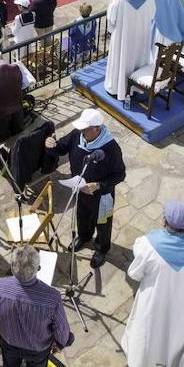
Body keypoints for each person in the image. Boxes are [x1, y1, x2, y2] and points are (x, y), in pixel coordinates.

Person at [122, 200, 184, 367]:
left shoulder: (148, 244)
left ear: (165, 221)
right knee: (177, 337)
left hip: (155, 303)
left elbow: (134, 273)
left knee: (150, 335)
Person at [0, 245, 74, 367]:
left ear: (12, 266)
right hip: (38, 350)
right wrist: (62, 343)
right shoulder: (52, 297)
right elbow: (62, 333)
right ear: (38, 269)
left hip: (8, 343)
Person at [46, 108, 126, 268]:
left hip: (102, 195)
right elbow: (61, 147)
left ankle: (102, 248)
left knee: (103, 224)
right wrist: (50, 144)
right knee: (82, 215)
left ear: (97, 129)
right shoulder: (78, 135)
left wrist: (98, 185)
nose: (82, 132)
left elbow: (120, 175)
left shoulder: (111, 148)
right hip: (80, 189)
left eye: (85, 129)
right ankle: (84, 237)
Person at [104, 0, 155, 101]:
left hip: (123, 39)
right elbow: (152, 16)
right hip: (141, 37)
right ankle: (136, 86)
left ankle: (117, 88)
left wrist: (113, 31)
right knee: (138, 59)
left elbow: (111, 19)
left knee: (122, 62)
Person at [0, 48, 32, 144]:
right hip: (18, 110)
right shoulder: (17, 67)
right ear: (1, 56)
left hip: (0, 116)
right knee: (19, 139)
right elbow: (25, 84)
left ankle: (4, 158)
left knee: (3, 143)